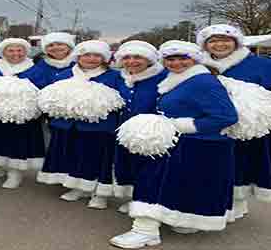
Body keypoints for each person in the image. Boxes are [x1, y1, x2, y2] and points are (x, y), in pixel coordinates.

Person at [110, 40, 238, 249]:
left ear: (194, 59)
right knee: (171, 185)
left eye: (182, 58)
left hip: (199, 144)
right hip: (182, 143)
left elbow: (226, 116)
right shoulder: (178, 79)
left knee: (151, 183)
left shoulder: (202, 81)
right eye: (171, 58)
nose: (176, 63)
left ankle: (144, 231)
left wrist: (178, 125)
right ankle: (179, 220)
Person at [37, 40, 122, 209]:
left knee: (98, 159)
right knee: (74, 157)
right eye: (86, 55)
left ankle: (100, 193)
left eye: (97, 55)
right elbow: (49, 98)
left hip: (100, 128)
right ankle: (79, 187)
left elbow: (120, 103)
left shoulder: (115, 77)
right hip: (67, 126)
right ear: (78, 56)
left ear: (105, 58)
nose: (91, 59)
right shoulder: (65, 75)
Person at [198, 24, 271, 218]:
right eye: (213, 40)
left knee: (243, 163)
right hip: (210, 126)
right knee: (211, 165)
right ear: (205, 45)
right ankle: (215, 200)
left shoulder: (261, 65)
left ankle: (238, 202)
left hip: (246, 127)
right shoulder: (197, 65)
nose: (219, 44)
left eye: (225, 39)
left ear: (236, 42)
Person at [112, 41, 167, 214]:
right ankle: (135, 198)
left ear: (149, 60)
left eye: (138, 57)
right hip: (126, 129)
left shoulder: (164, 77)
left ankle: (149, 203)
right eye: (127, 57)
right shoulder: (120, 77)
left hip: (153, 131)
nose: (132, 61)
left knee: (151, 168)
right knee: (129, 164)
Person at [0, 38, 47, 189]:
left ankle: (15, 173)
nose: (15, 54)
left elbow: (42, 90)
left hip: (25, 118)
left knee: (18, 144)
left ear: (26, 52)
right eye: (11, 50)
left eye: (20, 50)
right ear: (3, 52)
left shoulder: (35, 69)